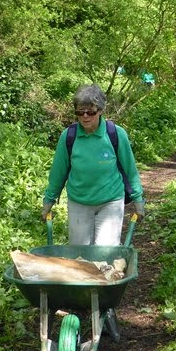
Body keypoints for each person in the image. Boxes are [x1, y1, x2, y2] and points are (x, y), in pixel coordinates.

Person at [41, 84, 145, 246]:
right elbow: (58, 173)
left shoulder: (116, 134)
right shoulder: (68, 136)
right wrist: (48, 201)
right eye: (80, 112)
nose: (85, 116)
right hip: (79, 202)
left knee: (105, 251)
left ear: (101, 110)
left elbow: (130, 170)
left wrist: (138, 201)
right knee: (79, 252)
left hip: (110, 201)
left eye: (90, 112)